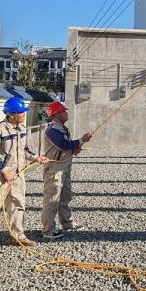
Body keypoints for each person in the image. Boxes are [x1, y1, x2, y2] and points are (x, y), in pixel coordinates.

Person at [0, 97, 48, 256]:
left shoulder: (21, 129)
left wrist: (35, 157)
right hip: (0, 178)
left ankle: (18, 236)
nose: (24, 114)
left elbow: (24, 150)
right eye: (22, 112)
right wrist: (4, 170)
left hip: (18, 175)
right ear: (12, 114)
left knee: (18, 205)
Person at [41, 102, 92, 239]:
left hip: (65, 168)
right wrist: (81, 140)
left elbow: (67, 147)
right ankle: (48, 229)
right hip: (54, 170)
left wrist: (77, 146)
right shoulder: (52, 130)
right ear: (57, 114)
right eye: (64, 112)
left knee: (64, 198)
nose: (67, 114)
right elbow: (63, 145)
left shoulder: (62, 128)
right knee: (52, 200)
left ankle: (67, 223)